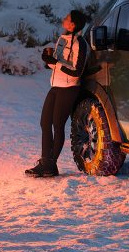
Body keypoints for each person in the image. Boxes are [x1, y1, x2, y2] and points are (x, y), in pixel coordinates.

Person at [25, 10, 89, 177]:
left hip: (69, 88)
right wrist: (48, 61)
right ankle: (46, 162)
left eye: (67, 18)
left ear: (73, 25)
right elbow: (56, 63)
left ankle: (49, 164)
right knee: (45, 123)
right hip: (55, 86)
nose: (63, 19)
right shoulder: (62, 39)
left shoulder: (80, 44)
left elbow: (77, 71)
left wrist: (57, 63)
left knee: (57, 125)